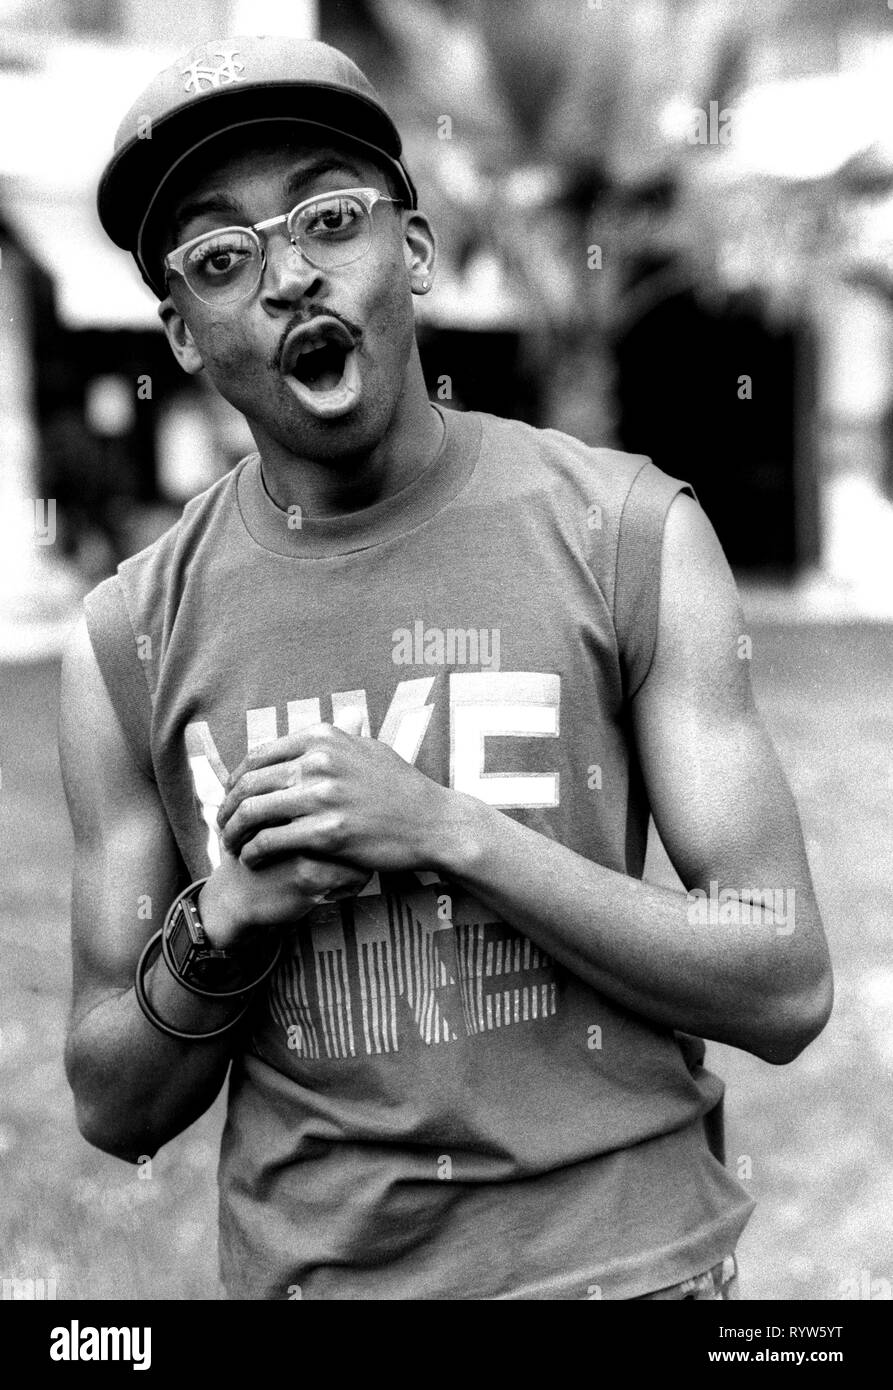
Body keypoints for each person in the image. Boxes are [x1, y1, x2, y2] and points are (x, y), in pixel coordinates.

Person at [60, 34, 833, 1301]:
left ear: (411, 251)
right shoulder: (125, 637)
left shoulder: (624, 532)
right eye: (219, 255)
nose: (288, 275)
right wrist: (225, 924)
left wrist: (445, 829)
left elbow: (784, 978)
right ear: (184, 334)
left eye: (328, 215)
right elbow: (111, 1099)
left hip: (627, 1275)